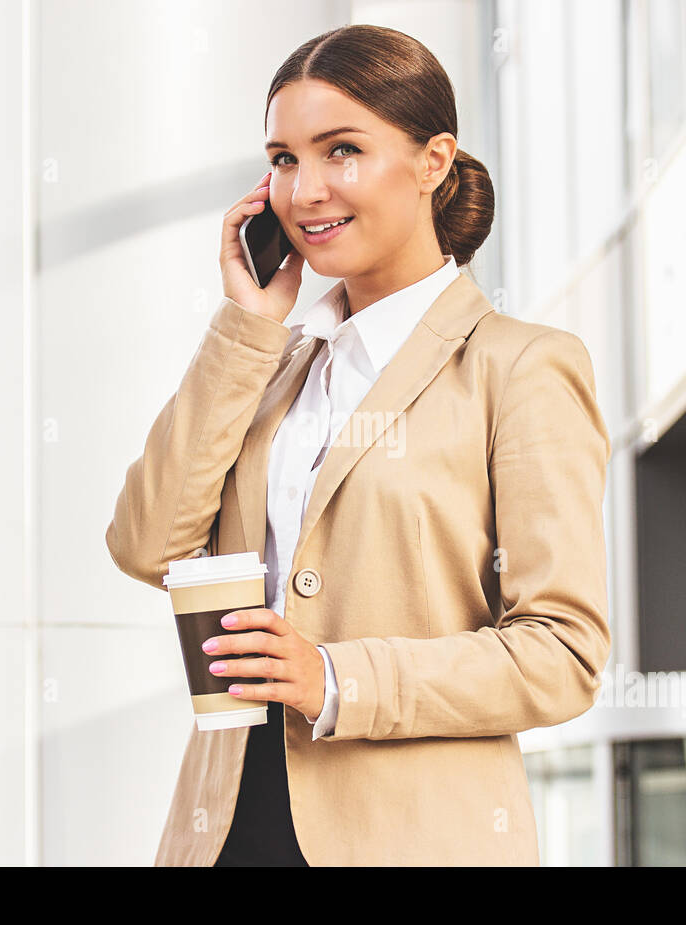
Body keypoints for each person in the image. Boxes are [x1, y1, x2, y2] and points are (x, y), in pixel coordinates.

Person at [105, 23, 612, 866]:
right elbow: (144, 543)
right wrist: (247, 328)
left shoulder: (520, 367)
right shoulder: (269, 368)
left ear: (433, 161)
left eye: (342, 150)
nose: (305, 192)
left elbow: (562, 652)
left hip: (413, 838)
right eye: (284, 159)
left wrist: (335, 678)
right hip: (226, 829)